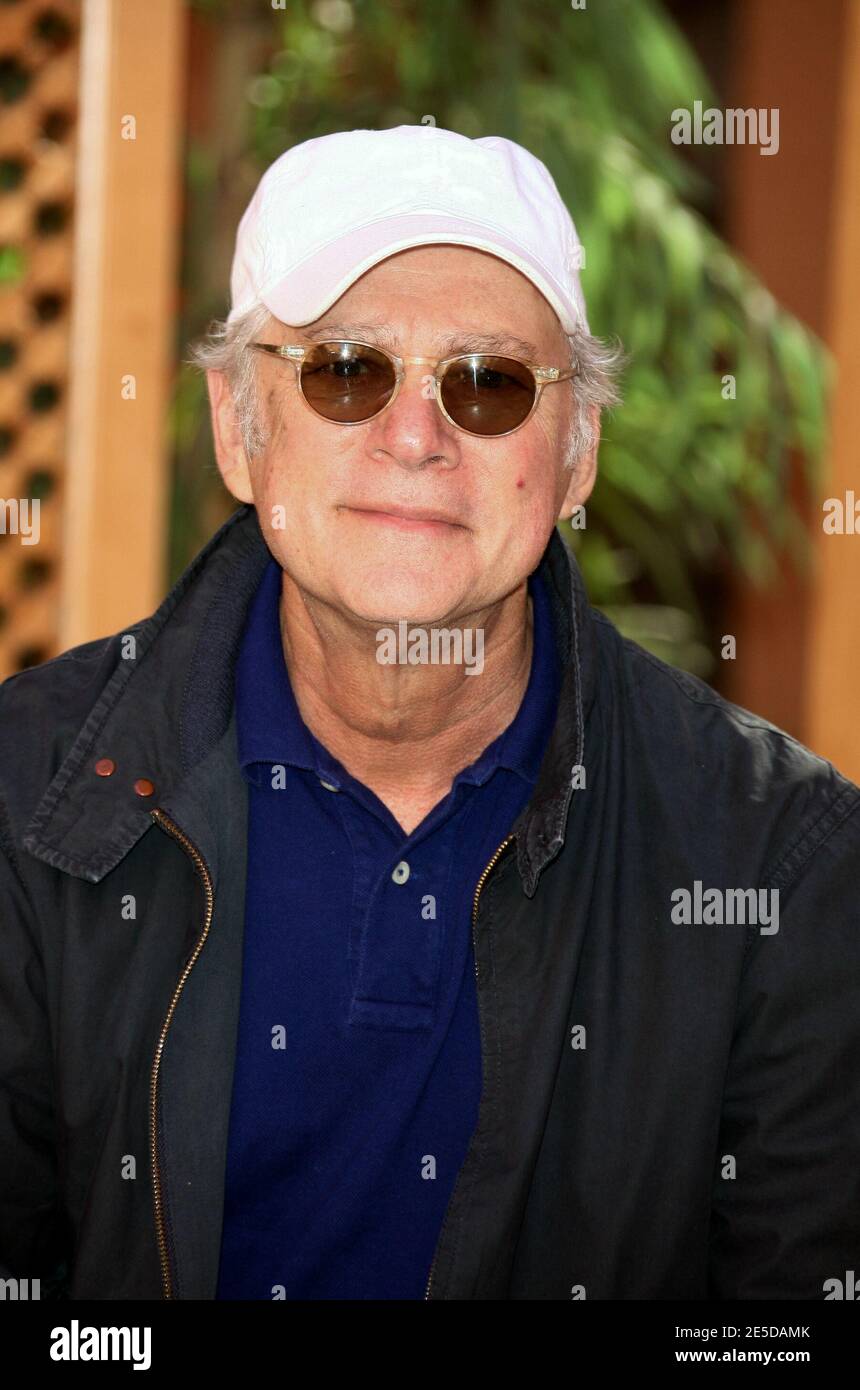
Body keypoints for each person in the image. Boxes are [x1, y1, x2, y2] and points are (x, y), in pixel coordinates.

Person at [1, 124, 858, 1301]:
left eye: (489, 382)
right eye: (345, 368)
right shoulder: (24, 798)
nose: (415, 437)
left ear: (576, 455)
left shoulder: (781, 863)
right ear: (236, 428)